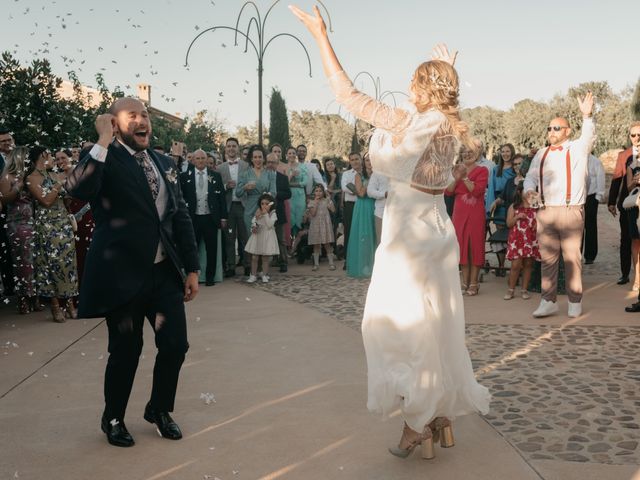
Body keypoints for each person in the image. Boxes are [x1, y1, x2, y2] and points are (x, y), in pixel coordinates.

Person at [291, 5, 489, 458]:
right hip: (435, 231)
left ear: (426, 90)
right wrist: (447, 72)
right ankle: (437, 415)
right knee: (433, 326)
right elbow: (433, 139)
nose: (407, 89)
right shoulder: (447, 125)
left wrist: (321, 36)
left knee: (398, 328)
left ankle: (416, 420)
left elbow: (350, 97)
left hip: (409, 239)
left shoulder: (415, 124)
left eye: (414, 83)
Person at [65, 97, 200, 448]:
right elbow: (78, 190)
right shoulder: (102, 155)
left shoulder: (164, 161)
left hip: (163, 273)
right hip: (122, 274)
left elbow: (179, 215)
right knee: (126, 350)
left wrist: (192, 268)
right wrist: (102, 140)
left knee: (175, 345)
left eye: (145, 115)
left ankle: (158, 409)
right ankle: (112, 417)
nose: (142, 121)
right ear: (114, 122)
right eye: (132, 116)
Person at [523, 93, 596, 318]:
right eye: (549, 128)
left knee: (572, 258)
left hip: (571, 210)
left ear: (567, 131)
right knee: (548, 259)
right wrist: (528, 190)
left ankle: (575, 302)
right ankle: (548, 300)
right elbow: (530, 177)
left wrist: (587, 115)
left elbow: (589, 136)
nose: (552, 132)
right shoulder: (542, 153)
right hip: (545, 211)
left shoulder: (577, 149)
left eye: (557, 128)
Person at [26, 146, 79, 322]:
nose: (54, 160)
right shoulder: (31, 178)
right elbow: (46, 200)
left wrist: (67, 189)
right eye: (50, 156)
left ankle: (70, 303)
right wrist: (60, 183)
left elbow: (65, 199)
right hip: (46, 225)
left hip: (63, 222)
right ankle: (56, 305)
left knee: (68, 264)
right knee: (50, 264)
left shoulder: (54, 174)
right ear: (42, 155)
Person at [445, 144, 488, 296]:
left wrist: (464, 177)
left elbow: (476, 191)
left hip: (476, 212)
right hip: (460, 212)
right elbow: (448, 192)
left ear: (477, 154)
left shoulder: (482, 170)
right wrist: (457, 178)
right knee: (461, 245)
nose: (467, 154)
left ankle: (474, 283)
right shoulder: (454, 169)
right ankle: (464, 282)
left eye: (471, 152)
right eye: (464, 152)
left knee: (474, 246)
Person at [180, 149, 228, 286]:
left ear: (207, 160)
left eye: (203, 158)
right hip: (192, 218)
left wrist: (223, 217)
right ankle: (192, 275)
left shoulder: (215, 176)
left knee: (211, 249)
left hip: (210, 218)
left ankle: (210, 277)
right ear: (193, 160)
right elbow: (181, 198)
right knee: (191, 248)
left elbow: (221, 199)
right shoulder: (185, 177)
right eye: (198, 158)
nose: (201, 161)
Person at [0, 146, 38, 314]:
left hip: (34, 222)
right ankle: (23, 297)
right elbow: (4, 199)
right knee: (22, 262)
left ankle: (35, 296)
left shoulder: (32, 175)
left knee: (36, 261)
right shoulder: (7, 177)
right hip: (17, 223)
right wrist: (18, 186)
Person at [235, 144, 277, 278]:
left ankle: (262, 271)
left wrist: (264, 207)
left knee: (264, 238)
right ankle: (251, 269)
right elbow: (238, 192)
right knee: (251, 238)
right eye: (255, 157)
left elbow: (274, 193)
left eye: (260, 157)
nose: (258, 159)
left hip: (265, 209)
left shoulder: (270, 173)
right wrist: (246, 187)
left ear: (264, 159)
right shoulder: (245, 174)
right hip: (250, 208)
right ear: (251, 159)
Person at [607, 122, 640, 285]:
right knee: (626, 239)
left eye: (639, 135)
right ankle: (625, 273)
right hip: (628, 204)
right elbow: (616, 179)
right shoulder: (623, 155)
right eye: (633, 135)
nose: (636, 138)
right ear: (630, 137)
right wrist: (611, 202)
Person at [218, 137, 249, 277]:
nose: (231, 148)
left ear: (238, 148)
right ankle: (231, 266)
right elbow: (217, 190)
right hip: (228, 207)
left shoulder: (246, 166)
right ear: (226, 149)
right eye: (229, 146)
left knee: (245, 237)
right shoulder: (220, 168)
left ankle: (248, 265)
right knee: (229, 238)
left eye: (234, 146)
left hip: (243, 206)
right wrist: (226, 186)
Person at [504, 184, 540, 300]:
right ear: (519, 192)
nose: (530, 193)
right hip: (517, 239)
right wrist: (517, 217)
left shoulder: (535, 205)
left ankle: (524, 289)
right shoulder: (514, 207)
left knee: (529, 264)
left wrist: (538, 223)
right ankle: (511, 289)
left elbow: (541, 217)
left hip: (530, 238)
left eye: (532, 191)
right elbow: (508, 224)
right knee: (516, 265)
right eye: (527, 191)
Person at [486, 143, 516, 276]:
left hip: (513, 204)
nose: (505, 154)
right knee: (500, 236)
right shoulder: (496, 169)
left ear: (512, 152)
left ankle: (515, 267)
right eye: (503, 151)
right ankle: (501, 266)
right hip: (499, 206)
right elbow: (491, 188)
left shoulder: (516, 169)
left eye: (507, 151)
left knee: (513, 235)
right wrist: (490, 207)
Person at [346, 154, 376, 278]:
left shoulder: (380, 175)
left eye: (372, 160)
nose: (370, 162)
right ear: (364, 162)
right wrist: (369, 179)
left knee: (376, 235)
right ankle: (364, 266)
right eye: (367, 160)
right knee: (364, 236)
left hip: (376, 205)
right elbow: (361, 193)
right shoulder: (359, 176)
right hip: (364, 207)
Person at [265, 152, 292, 272]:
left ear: (277, 164)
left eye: (273, 162)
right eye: (268, 162)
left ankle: (283, 262)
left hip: (278, 212)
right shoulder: (262, 176)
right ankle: (264, 263)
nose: (270, 164)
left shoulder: (283, 177)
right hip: (263, 213)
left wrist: (274, 195)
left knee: (281, 239)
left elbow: (288, 194)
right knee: (264, 239)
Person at [244, 193, 279, 283]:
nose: (264, 206)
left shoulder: (273, 214)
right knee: (254, 257)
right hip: (258, 236)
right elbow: (253, 222)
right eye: (262, 203)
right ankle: (253, 275)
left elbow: (270, 225)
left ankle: (264, 274)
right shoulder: (257, 212)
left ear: (271, 204)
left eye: (266, 204)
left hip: (267, 237)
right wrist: (254, 226)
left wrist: (266, 214)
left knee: (265, 258)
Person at [340, 152, 362, 268]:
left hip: (363, 205)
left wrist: (354, 187)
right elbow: (345, 187)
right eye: (352, 160)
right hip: (350, 205)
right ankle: (347, 260)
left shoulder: (367, 173)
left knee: (362, 231)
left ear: (361, 159)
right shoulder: (347, 174)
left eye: (357, 159)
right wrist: (359, 191)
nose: (355, 162)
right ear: (350, 162)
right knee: (349, 232)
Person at [583, 152, 605, 265]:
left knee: (590, 226)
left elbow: (601, 178)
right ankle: (576, 253)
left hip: (591, 197)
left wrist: (598, 196)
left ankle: (590, 256)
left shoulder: (596, 161)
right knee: (577, 227)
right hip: (578, 198)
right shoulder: (576, 159)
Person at [307, 183, 336, 271]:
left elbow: (333, 210)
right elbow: (313, 213)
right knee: (316, 245)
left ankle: (331, 263)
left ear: (323, 192)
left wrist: (329, 199)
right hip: (316, 225)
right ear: (314, 192)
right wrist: (315, 202)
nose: (318, 193)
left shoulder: (326, 201)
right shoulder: (311, 202)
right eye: (316, 191)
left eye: (320, 191)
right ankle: (316, 264)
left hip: (325, 224)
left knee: (327, 244)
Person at [286, 146, 308, 236]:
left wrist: (291, 184)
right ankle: (289, 244)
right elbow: (283, 183)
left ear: (296, 155)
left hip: (300, 196)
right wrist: (291, 175)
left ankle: (298, 244)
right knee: (290, 218)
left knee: (299, 218)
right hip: (288, 196)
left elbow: (305, 182)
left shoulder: (302, 167)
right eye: (289, 153)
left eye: (293, 153)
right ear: (286, 155)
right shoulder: (284, 167)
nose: (292, 155)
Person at [367, 170, 389, 246]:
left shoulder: (402, 171)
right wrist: (384, 194)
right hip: (381, 213)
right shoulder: (377, 173)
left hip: (401, 213)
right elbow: (370, 191)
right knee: (381, 243)